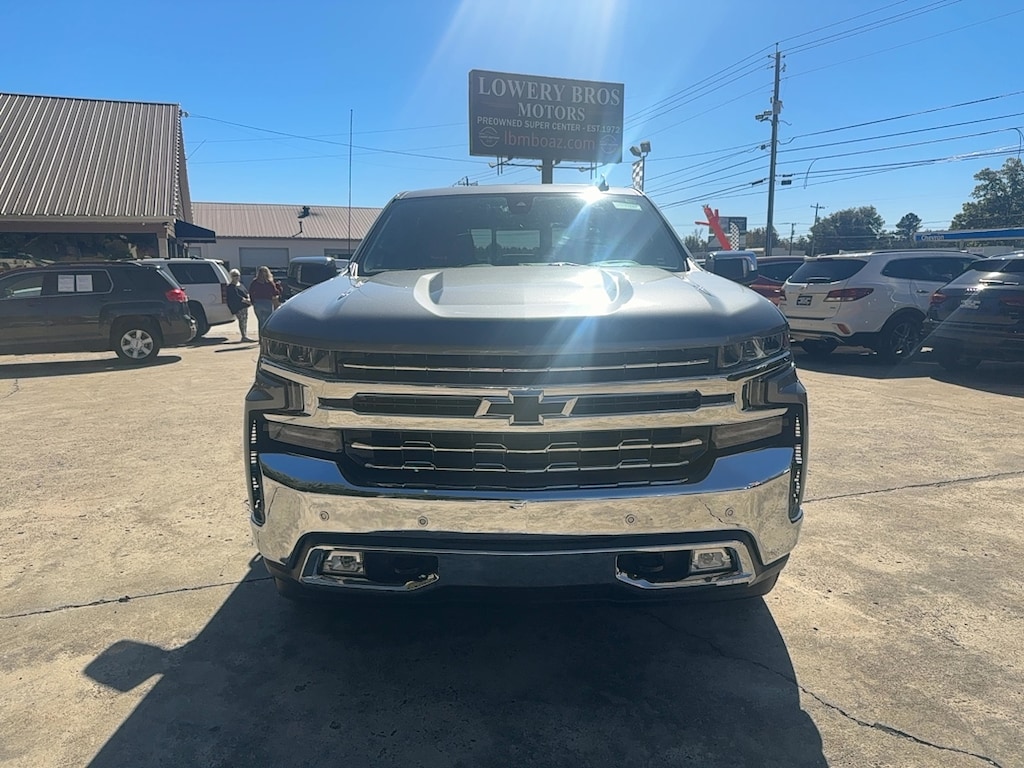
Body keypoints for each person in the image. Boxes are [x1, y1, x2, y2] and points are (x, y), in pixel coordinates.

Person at [248, 265, 281, 334]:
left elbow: (250, 292)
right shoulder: (269, 282)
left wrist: (253, 301)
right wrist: (278, 286)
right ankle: (266, 337)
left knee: (260, 321)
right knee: (267, 322)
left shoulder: (255, 282)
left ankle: (260, 338)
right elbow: (275, 292)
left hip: (257, 303)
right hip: (267, 302)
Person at [225, 269, 253, 342]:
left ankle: (245, 335)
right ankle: (244, 336)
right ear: (231, 277)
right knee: (242, 321)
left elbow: (246, 293)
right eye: (234, 276)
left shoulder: (240, 285)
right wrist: (246, 301)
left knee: (245, 320)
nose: (236, 277)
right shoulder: (230, 287)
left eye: (237, 275)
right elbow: (236, 297)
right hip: (238, 307)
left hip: (244, 306)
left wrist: (249, 299)